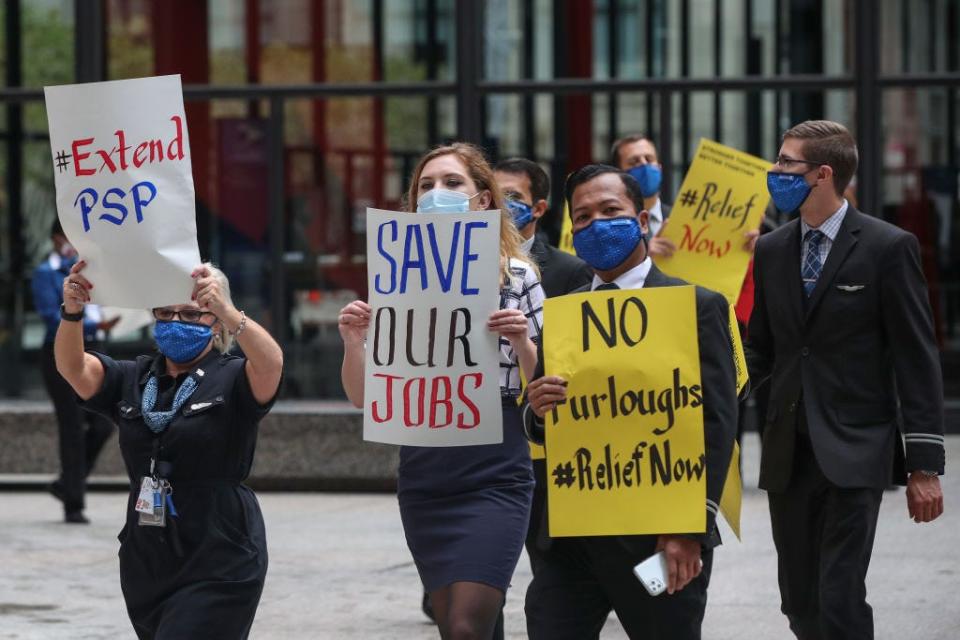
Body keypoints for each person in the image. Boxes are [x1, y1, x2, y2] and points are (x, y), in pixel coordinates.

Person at [747, 120, 945, 640]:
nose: (775, 171)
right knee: (800, 599)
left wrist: (923, 464)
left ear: (823, 173)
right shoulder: (770, 251)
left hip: (858, 447)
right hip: (790, 450)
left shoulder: (887, 247)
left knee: (839, 594)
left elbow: (916, 357)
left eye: (787, 163)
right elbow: (762, 348)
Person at [522, 164, 738, 639]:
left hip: (658, 542)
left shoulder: (695, 306)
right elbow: (537, 422)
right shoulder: (563, 312)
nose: (596, 224)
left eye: (609, 210)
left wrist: (689, 528)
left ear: (641, 220)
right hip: (569, 543)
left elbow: (717, 423)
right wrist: (536, 409)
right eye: (582, 217)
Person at [339, 142, 543, 640]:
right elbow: (364, 398)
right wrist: (352, 342)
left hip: (495, 467)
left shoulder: (518, 277)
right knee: (462, 626)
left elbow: (541, 386)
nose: (437, 194)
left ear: (483, 200)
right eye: (426, 186)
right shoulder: (396, 279)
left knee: (465, 625)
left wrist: (521, 340)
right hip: (426, 472)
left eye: (453, 183)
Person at [55, 259, 283, 639]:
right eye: (166, 312)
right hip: (149, 555)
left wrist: (227, 310)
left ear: (214, 321)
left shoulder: (232, 377)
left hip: (219, 551)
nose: (177, 321)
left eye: (193, 313)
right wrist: (73, 312)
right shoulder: (133, 376)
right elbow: (73, 367)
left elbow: (272, 363)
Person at [31, 218, 118, 524]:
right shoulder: (46, 273)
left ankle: (67, 483)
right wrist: (95, 323)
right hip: (61, 351)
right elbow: (50, 315)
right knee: (71, 426)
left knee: (104, 423)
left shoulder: (95, 268)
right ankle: (74, 504)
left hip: (96, 348)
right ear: (57, 239)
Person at [494, 157, 594, 299]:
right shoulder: (470, 261)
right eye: (495, 195)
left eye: (513, 196)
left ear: (539, 209)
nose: (501, 203)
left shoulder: (571, 271)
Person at [611, 134, 676, 258]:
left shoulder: (679, 220)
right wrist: (645, 257)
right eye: (634, 162)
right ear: (618, 174)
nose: (644, 165)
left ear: (659, 168)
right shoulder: (610, 226)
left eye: (649, 159)